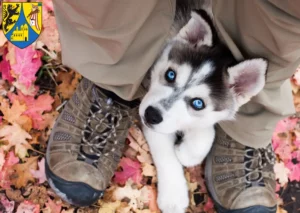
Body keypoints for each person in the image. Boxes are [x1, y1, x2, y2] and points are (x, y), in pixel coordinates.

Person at [46, 0, 300, 212]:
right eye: (170, 76)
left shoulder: (232, 90)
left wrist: (202, 134)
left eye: (197, 103)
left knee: (278, 14)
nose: (161, 106)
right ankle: (111, 74)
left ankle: (247, 127)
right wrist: (169, 168)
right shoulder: (186, 43)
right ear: (188, 36)